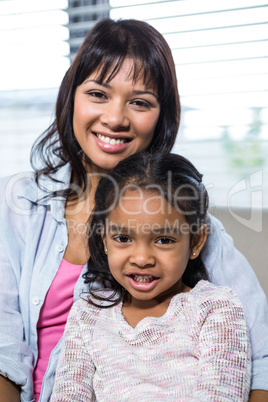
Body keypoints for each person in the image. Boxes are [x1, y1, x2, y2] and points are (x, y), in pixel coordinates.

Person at [0, 17, 267, 402]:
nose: (115, 118)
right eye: (98, 94)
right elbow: (4, 346)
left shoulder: (191, 225)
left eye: (140, 102)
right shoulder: (19, 203)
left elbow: (261, 356)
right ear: (71, 96)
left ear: (161, 115)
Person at [51, 151, 252, 400]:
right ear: (104, 239)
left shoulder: (215, 310)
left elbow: (221, 395)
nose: (142, 258)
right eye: (123, 238)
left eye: (164, 240)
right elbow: (68, 395)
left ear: (196, 242)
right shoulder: (87, 314)